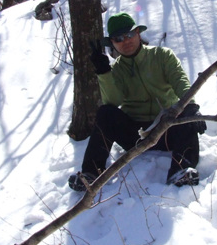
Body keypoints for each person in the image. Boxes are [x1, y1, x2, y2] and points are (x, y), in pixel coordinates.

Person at [69, 12, 203, 191]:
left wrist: (192, 107)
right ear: (113, 44)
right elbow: (112, 101)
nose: (125, 41)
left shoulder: (162, 56)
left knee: (185, 110)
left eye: (129, 34)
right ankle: (90, 174)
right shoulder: (116, 70)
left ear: (138, 33)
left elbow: (181, 83)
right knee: (105, 112)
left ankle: (181, 171)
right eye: (118, 39)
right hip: (136, 137)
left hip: (168, 129)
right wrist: (103, 72)